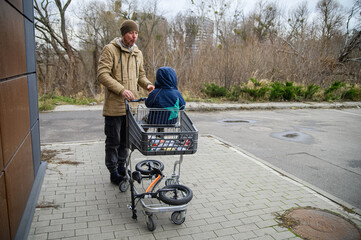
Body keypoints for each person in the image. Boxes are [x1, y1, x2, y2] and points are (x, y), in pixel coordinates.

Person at [97, 19, 155, 184]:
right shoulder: (110, 50)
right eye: (131, 33)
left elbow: (141, 76)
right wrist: (121, 90)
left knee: (126, 141)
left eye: (136, 33)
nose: (134, 36)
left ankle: (122, 166)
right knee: (113, 141)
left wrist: (148, 85)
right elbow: (102, 74)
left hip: (132, 107)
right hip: (114, 107)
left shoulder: (138, 53)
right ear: (124, 34)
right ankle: (113, 171)